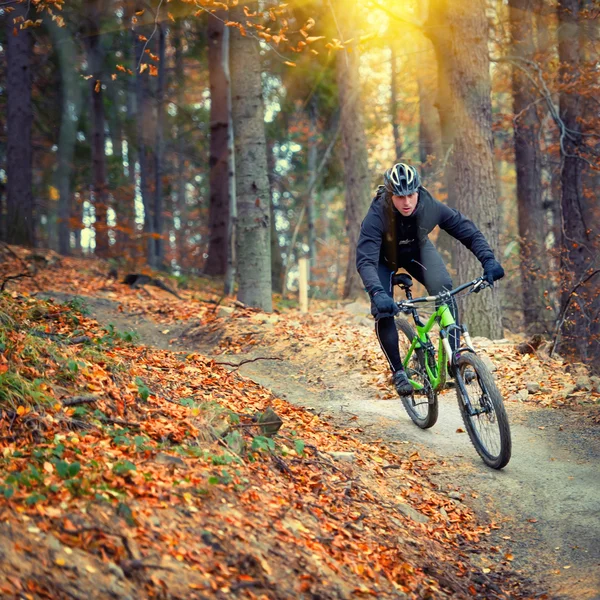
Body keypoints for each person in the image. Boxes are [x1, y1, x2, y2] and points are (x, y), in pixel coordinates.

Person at [356, 163, 505, 396]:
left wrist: (489, 261)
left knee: (445, 290)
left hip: (416, 252)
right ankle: (398, 372)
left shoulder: (429, 206)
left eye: (411, 194)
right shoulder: (377, 215)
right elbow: (365, 261)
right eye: (400, 196)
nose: (407, 202)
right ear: (390, 195)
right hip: (382, 260)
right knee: (383, 310)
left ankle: (455, 358)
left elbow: (468, 232)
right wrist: (377, 293)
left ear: (418, 190)